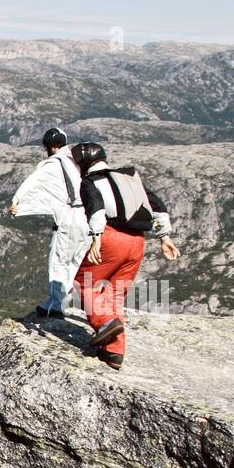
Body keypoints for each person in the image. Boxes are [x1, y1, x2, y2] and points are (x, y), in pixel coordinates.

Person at [71, 141, 180, 370]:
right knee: (115, 293)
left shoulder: (90, 182)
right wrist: (165, 238)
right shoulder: (129, 177)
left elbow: (96, 210)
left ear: (82, 164)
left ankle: (105, 322)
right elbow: (157, 206)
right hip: (138, 241)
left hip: (112, 237)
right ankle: (114, 352)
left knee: (85, 284)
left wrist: (96, 239)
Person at [10, 127, 89, 319]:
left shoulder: (53, 164)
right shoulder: (78, 162)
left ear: (51, 146)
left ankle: (55, 306)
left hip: (69, 217)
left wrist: (17, 202)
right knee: (75, 261)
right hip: (87, 216)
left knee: (59, 261)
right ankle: (63, 302)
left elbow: (33, 182)